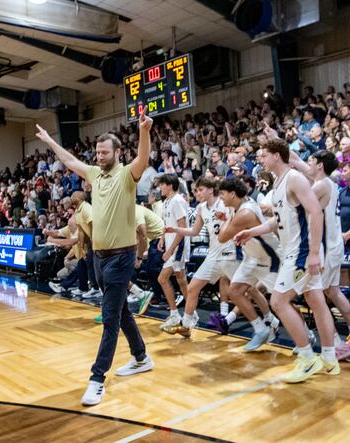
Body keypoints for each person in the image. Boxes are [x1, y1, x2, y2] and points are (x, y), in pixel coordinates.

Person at [35, 107, 154, 407]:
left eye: (104, 152)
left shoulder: (128, 175)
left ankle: (97, 378)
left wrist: (144, 131)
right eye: (97, 153)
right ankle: (141, 357)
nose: (99, 156)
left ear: (116, 153)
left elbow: (143, 158)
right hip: (99, 257)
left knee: (110, 319)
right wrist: (50, 141)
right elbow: (69, 160)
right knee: (121, 312)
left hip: (121, 257)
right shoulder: (93, 175)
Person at [235, 138, 340, 383]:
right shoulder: (279, 181)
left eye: (264, 154)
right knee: (316, 300)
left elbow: (315, 212)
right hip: (294, 248)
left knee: (279, 301)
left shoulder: (294, 178)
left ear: (277, 156)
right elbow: (278, 221)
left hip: (302, 251)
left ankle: (307, 358)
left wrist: (314, 253)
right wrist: (252, 231)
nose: (261, 158)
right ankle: (329, 357)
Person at [289, 150, 350, 359]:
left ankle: (334, 342)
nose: (307, 163)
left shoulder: (322, 185)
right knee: (332, 291)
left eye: (312, 161)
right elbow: (296, 161)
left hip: (327, 247)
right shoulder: (329, 183)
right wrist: (279, 143)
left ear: (319, 166)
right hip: (334, 245)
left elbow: (295, 204)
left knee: (314, 295)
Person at [166, 176, 247, 339]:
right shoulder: (201, 208)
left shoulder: (225, 205)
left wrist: (226, 220)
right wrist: (175, 229)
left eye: (200, 189)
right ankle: (187, 325)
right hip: (212, 255)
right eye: (196, 190)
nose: (198, 193)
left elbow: (238, 224)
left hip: (229, 254)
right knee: (192, 287)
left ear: (211, 190)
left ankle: (269, 321)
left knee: (247, 290)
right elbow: (194, 232)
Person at [216, 178, 281, 350]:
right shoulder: (242, 205)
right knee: (235, 291)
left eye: (222, 193)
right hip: (252, 256)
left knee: (282, 302)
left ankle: (307, 336)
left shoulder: (244, 212)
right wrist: (229, 218)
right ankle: (261, 329)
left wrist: (228, 219)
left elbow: (221, 237)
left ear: (232, 194)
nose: (220, 197)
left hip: (269, 258)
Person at [156, 174, 190, 333]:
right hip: (171, 245)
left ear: (170, 185)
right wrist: (162, 238)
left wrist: (170, 251)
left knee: (163, 278)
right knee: (181, 281)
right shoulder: (167, 201)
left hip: (179, 246)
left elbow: (182, 228)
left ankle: (178, 314)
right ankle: (187, 314)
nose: (160, 187)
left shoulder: (177, 201)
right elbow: (167, 224)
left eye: (162, 184)